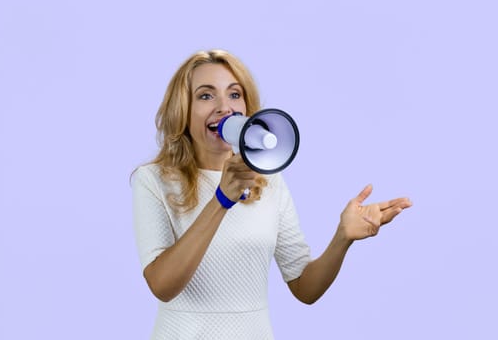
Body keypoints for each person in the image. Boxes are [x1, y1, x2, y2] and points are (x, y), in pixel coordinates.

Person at [131, 49, 412, 339]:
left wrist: (342, 238)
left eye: (234, 94)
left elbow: (305, 288)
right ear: (182, 109)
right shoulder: (153, 180)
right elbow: (161, 286)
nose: (224, 107)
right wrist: (221, 200)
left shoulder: (269, 181)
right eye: (205, 96)